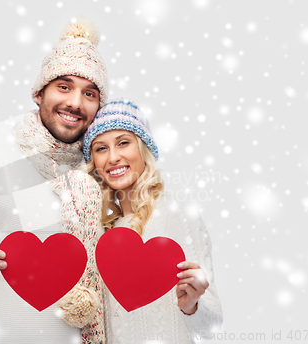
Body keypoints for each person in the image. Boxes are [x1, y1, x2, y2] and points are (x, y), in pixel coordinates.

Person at [0, 17, 108, 344]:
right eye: (63, 86)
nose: (74, 102)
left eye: (89, 93)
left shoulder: (106, 166)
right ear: (39, 92)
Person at [83, 98, 223, 343]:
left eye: (123, 143)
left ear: (143, 148)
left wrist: (191, 306)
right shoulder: (101, 233)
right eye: (101, 148)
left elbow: (211, 328)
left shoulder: (177, 212)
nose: (113, 157)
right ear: (93, 161)